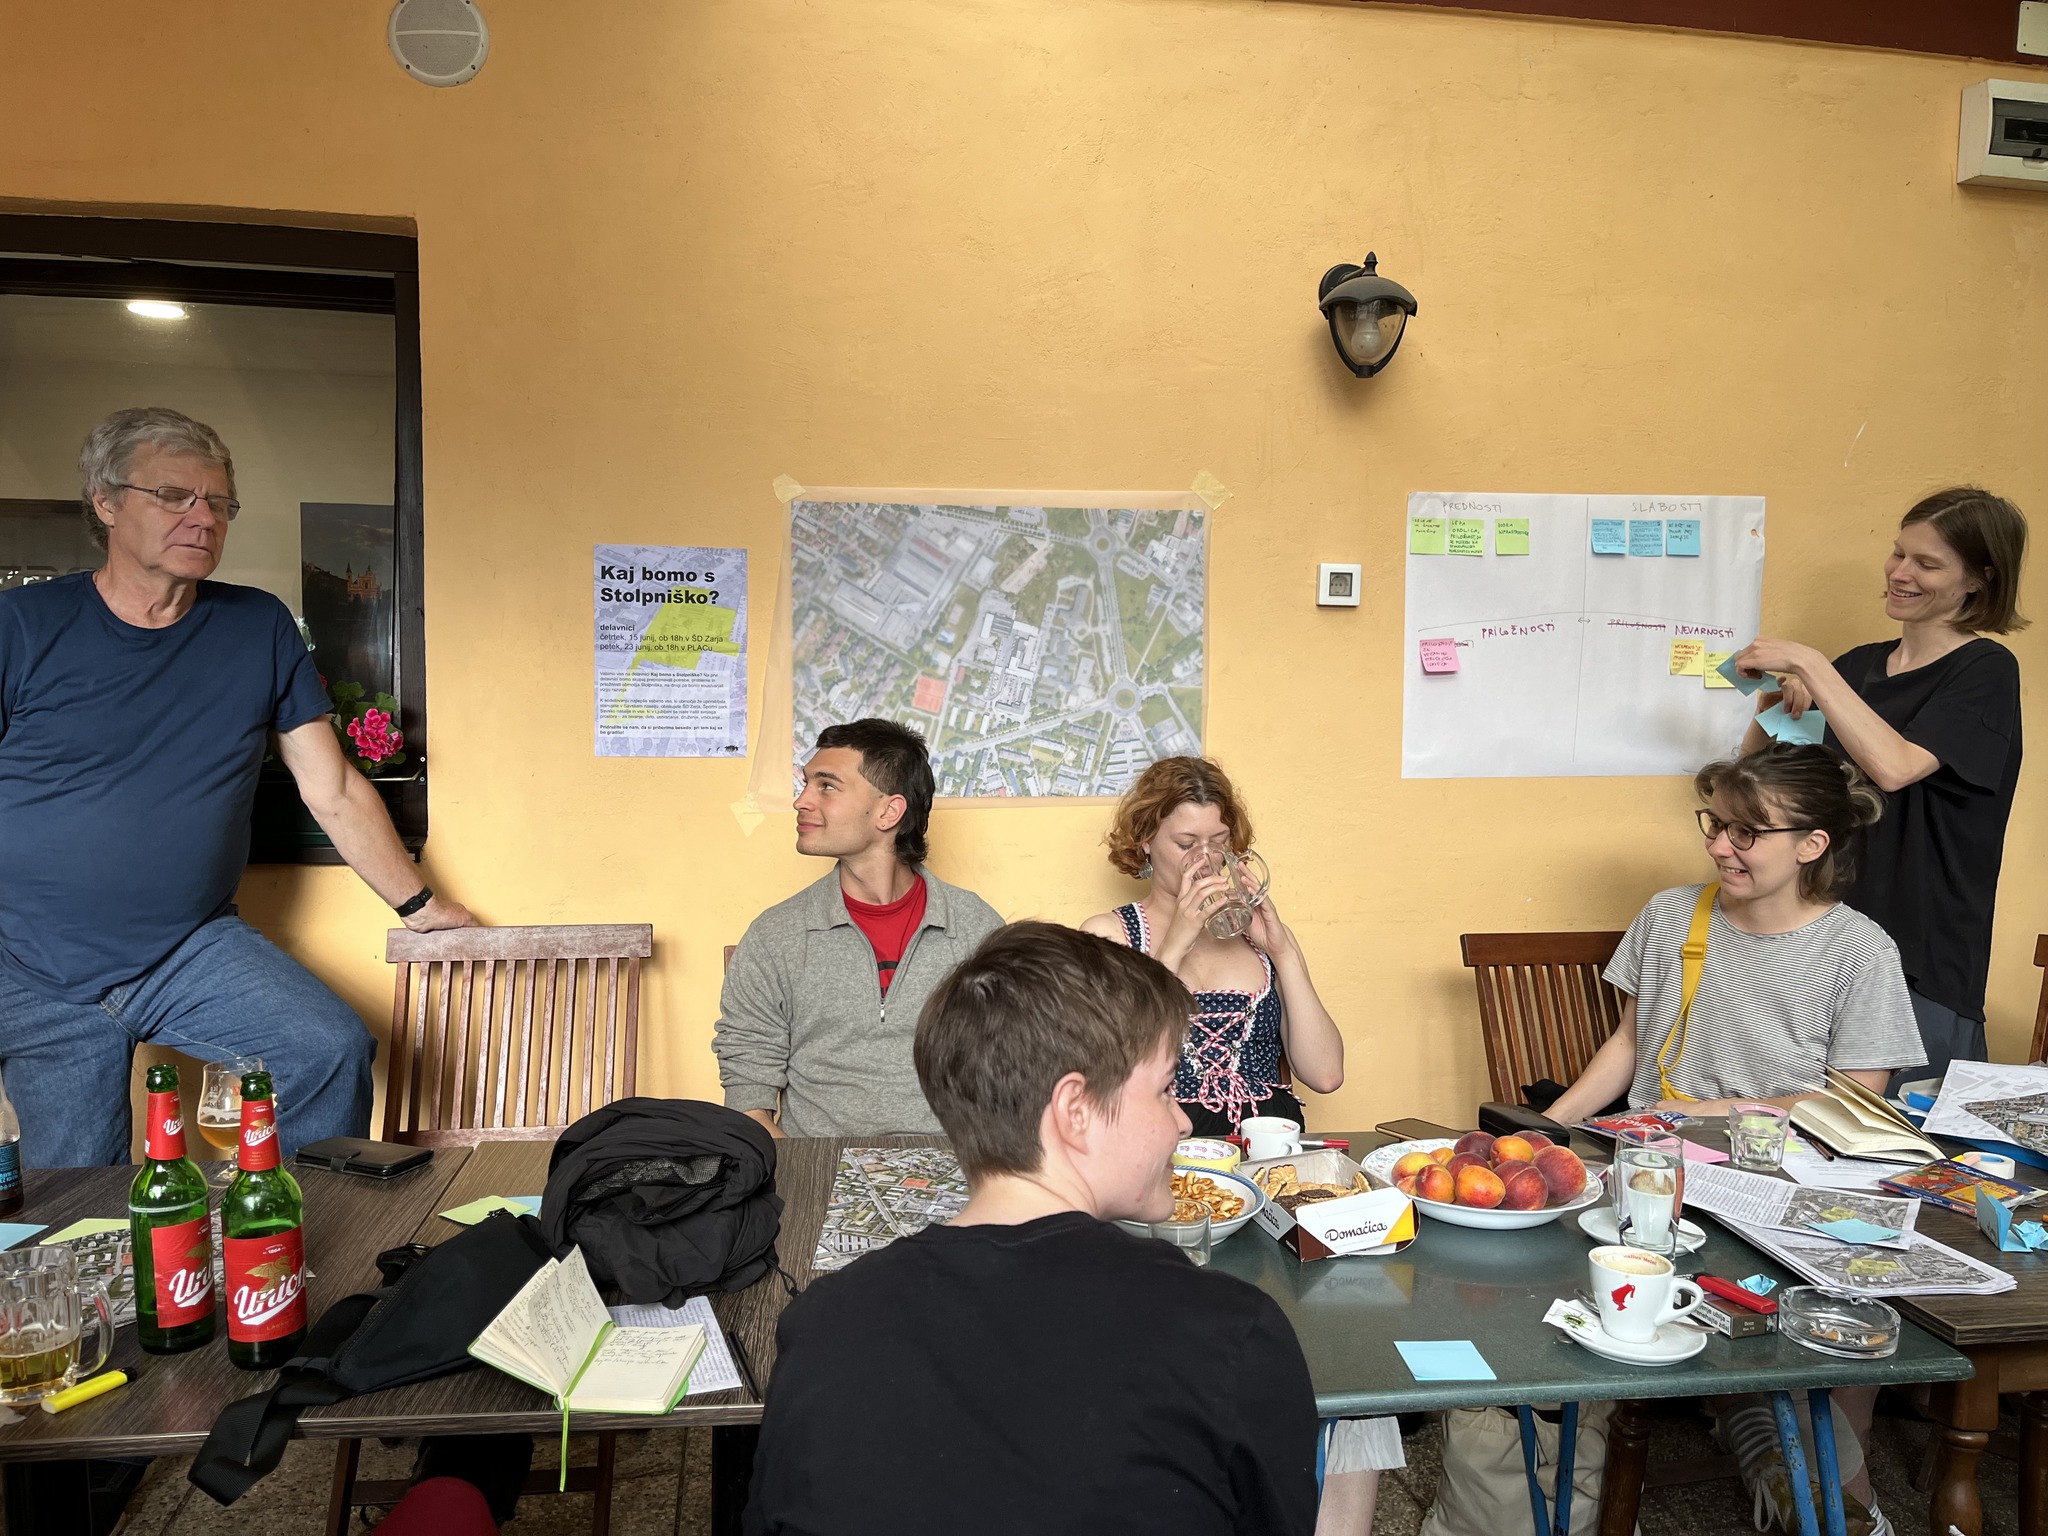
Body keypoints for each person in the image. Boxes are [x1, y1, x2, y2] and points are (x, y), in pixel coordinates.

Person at [0, 408, 474, 1168]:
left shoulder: (258, 626)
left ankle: (301, 1237)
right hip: (30, 965)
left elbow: (331, 787)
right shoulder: (20, 625)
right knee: (75, 1199)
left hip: (188, 947)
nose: (203, 517)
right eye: (174, 496)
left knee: (326, 1048)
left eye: (219, 503)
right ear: (106, 502)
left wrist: (419, 905)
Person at [744, 921, 1319, 1536]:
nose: (1182, 1121)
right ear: (1075, 1112)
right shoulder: (1230, 1334)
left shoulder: (823, 1323)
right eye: (1165, 1089)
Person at [1542, 745, 1923, 1536]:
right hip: (1655, 1169)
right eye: (1715, 824)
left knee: (1851, 1299)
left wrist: (1731, 1107)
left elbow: (1860, 1100)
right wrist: (1552, 1133)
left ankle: (1835, 1491)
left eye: (1747, 832)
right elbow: (1629, 1043)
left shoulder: (1859, 950)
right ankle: (1751, 1439)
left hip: (1786, 1174)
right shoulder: (1671, 915)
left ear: (1812, 844)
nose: (1720, 846)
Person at [1731, 487, 2027, 1083]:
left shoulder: (1986, 670)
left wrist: (1813, 666)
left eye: (1927, 563)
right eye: (1898, 553)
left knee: (1901, 1134)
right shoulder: (1856, 667)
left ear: (1979, 579)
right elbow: (1759, 787)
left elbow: (1896, 767)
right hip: (1824, 945)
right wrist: (1770, 710)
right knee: (1802, 1128)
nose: (1899, 572)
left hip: (1921, 957)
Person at [713, 718, 1002, 1138]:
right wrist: (797, 1171)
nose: (801, 801)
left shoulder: (976, 928)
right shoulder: (776, 935)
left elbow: (1012, 1071)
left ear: (889, 812)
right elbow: (749, 1102)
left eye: (827, 786)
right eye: (806, 784)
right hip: (814, 1162)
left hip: (954, 1162)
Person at [1082, 756, 1343, 1136]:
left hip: (1267, 1145)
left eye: (1218, 842)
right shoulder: (1110, 935)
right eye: (1186, 843)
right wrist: (1174, 945)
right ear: (1145, 841)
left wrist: (1283, 953)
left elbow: (1326, 1075)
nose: (1205, 860)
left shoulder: (1261, 936)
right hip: (1163, 1146)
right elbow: (1109, 1075)